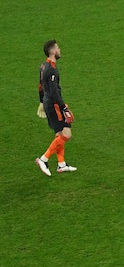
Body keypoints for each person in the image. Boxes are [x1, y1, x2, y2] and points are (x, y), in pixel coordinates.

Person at [35, 40, 77, 176]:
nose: (60, 50)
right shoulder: (52, 69)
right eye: (58, 48)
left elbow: (40, 85)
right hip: (54, 104)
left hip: (47, 102)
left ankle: (61, 164)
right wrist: (64, 108)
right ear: (53, 51)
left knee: (59, 133)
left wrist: (41, 102)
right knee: (66, 134)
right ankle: (44, 159)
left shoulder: (43, 65)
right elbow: (54, 92)